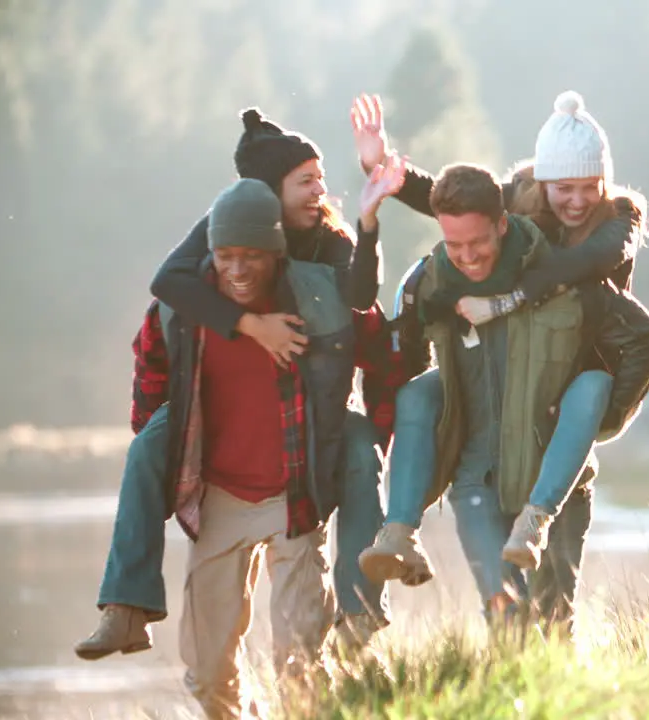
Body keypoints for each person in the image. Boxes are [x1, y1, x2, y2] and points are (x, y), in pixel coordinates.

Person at [73, 117, 409, 664]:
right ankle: (125, 605)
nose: (320, 189)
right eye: (305, 179)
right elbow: (168, 285)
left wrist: (369, 222)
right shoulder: (227, 226)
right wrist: (252, 327)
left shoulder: (327, 239)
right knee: (147, 447)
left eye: (319, 176)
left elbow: (362, 296)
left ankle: (359, 609)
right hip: (227, 464)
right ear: (267, 193)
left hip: (312, 426)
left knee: (359, 448)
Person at [358, 162, 649, 630]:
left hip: (555, 483)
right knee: (504, 619)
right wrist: (440, 420)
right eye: (454, 244)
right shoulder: (433, 283)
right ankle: (399, 531)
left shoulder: (566, 283)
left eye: (478, 241)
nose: (467, 255)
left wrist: (603, 421)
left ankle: (560, 700)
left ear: (503, 222)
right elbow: (399, 355)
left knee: (554, 622)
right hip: (476, 482)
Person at [114, 178, 381, 717]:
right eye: (224, 255)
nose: (236, 269)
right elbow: (150, 385)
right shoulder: (181, 308)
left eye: (251, 256)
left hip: (294, 498)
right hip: (219, 501)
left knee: (300, 664)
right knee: (208, 676)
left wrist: (376, 428)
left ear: (276, 253)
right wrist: (168, 468)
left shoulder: (319, 296)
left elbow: (381, 348)